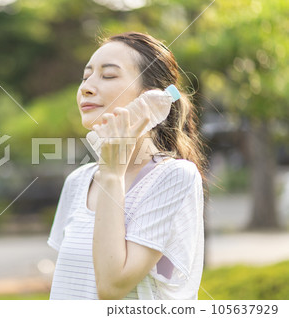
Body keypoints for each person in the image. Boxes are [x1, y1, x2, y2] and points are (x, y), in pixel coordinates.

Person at [47, 31, 208, 300]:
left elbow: (111, 287)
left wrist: (112, 173)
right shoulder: (77, 182)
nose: (86, 87)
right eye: (85, 76)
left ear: (151, 99)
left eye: (108, 75)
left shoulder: (174, 176)